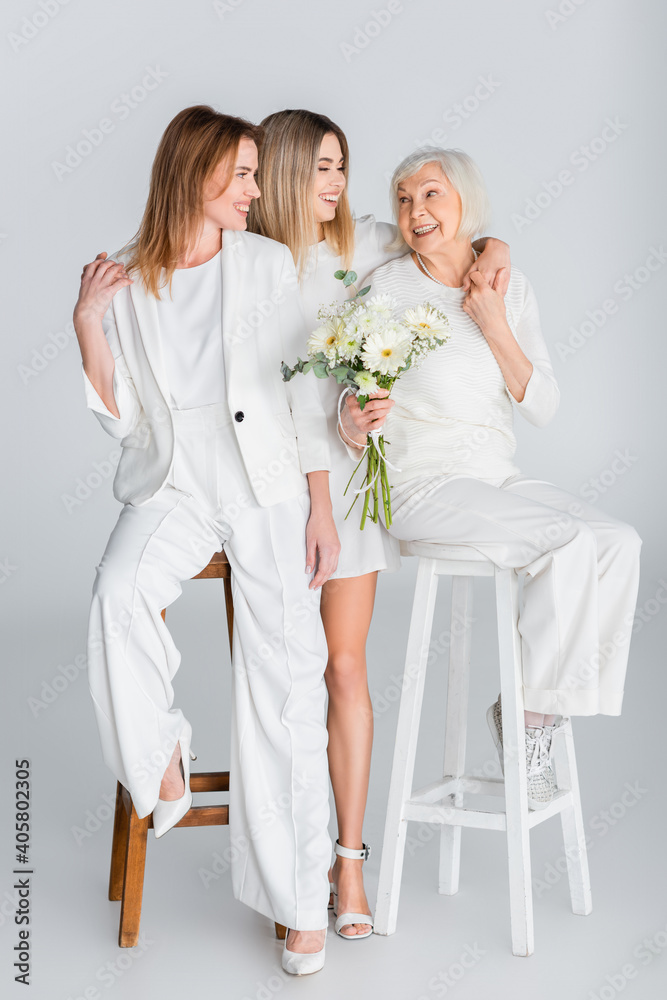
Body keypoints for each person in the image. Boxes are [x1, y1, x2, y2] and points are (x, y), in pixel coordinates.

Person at [74, 105, 340, 976]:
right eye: (245, 175)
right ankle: (164, 762)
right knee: (117, 594)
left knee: (286, 679)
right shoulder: (133, 274)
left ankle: (303, 907)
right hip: (178, 482)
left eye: (259, 174)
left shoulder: (270, 264)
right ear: (194, 175)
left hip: (263, 487)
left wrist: (320, 507)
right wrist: (88, 326)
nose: (259, 191)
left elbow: (304, 395)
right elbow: (127, 426)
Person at [248, 110, 511, 935]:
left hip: (345, 491)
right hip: (267, 491)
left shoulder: (363, 245)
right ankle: (286, 870)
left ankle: (348, 863)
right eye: (320, 169)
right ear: (286, 173)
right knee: (280, 686)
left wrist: (498, 252)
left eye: (340, 168)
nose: (334, 185)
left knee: (345, 671)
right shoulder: (243, 259)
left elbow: (456, 237)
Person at [340, 146, 641, 807]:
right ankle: (532, 726)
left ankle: (532, 716)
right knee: (565, 542)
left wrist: (493, 321)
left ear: (465, 202)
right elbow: (344, 395)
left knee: (618, 543)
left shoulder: (508, 284)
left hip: (491, 475)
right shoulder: (386, 288)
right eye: (403, 198)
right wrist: (353, 416)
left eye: (431, 194)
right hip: (420, 484)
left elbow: (541, 407)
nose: (415, 210)